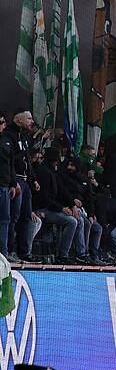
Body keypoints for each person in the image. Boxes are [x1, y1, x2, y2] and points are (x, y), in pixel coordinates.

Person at [33, 148, 80, 264]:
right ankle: (63, 255)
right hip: (43, 208)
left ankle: (81, 254)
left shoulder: (52, 173)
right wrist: (61, 208)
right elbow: (44, 199)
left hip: (51, 207)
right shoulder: (44, 172)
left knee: (80, 219)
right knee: (72, 222)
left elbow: (62, 191)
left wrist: (72, 204)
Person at [7, 109, 40, 261]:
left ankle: (24, 252)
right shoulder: (9, 136)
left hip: (26, 181)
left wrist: (33, 179)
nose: (31, 121)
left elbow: (27, 160)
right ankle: (10, 250)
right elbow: (10, 162)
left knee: (26, 216)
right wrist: (13, 182)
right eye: (29, 118)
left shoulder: (24, 137)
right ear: (18, 119)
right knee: (14, 217)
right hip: (17, 181)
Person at [0, 113, 16, 259]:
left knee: (5, 220)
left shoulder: (7, 141)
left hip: (4, 186)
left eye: (3, 122)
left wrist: (13, 183)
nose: (1, 125)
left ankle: (3, 253)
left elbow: (11, 164)